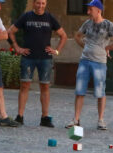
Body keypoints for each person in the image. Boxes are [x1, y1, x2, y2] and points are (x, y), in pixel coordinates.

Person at [65, 0, 113, 130]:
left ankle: (101, 120)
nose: (88, 12)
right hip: (85, 61)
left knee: (100, 92)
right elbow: (77, 36)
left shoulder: (108, 25)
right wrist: (84, 46)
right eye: (88, 10)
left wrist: (108, 47)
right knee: (79, 90)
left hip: (99, 63)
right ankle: (76, 119)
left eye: (90, 10)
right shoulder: (87, 23)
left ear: (98, 10)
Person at [8, 0, 67, 128]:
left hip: (45, 58)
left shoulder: (50, 18)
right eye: (38, 3)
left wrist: (57, 50)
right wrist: (17, 47)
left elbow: (63, 35)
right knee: (24, 86)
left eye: (43, 3)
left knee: (45, 87)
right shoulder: (26, 16)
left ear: (46, 4)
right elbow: (11, 31)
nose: (40, 6)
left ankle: (45, 118)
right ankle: (20, 116)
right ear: (34, 3)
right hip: (28, 57)